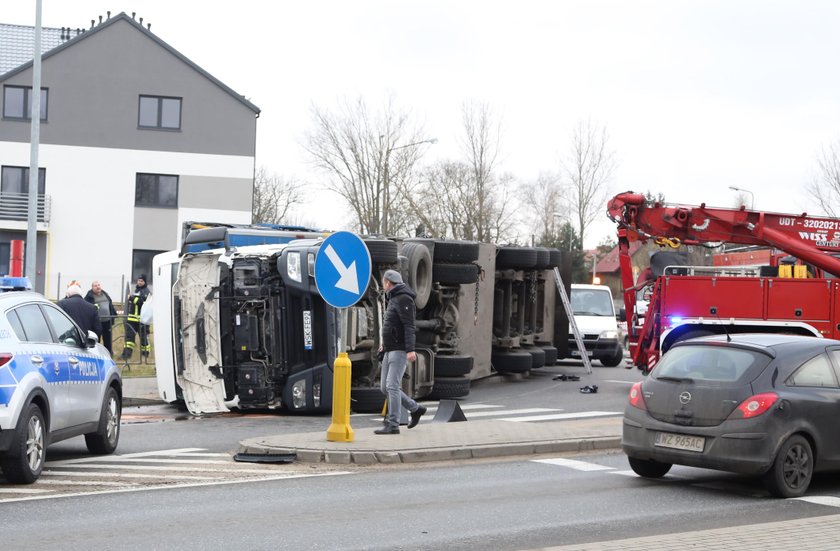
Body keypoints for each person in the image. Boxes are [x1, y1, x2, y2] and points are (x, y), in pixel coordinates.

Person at [375, 269, 426, 435]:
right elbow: (391, 326)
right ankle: (415, 408)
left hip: (399, 350)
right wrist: (384, 345)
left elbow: (409, 325)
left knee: (392, 386)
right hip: (389, 349)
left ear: (388, 282)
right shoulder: (394, 298)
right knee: (385, 387)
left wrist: (410, 350)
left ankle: (393, 424)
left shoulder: (404, 298)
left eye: (383, 282)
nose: (383, 285)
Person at [121, 274, 151, 359]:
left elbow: (142, 302)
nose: (139, 282)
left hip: (142, 320)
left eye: (141, 281)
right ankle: (126, 355)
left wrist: (132, 298)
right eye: (139, 281)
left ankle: (145, 356)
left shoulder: (146, 291)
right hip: (131, 319)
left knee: (144, 338)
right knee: (129, 338)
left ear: (144, 282)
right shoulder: (136, 290)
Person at [85, 280, 118, 353]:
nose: (97, 287)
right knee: (97, 339)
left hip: (107, 321)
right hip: (97, 322)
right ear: (92, 288)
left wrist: (113, 315)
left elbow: (110, 305)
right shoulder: (89, 297)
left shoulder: (105, 294)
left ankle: (109, 353)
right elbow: (86, 307)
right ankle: (96, 353)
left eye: (98, 285)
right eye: (95, 286)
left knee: (108, 339)